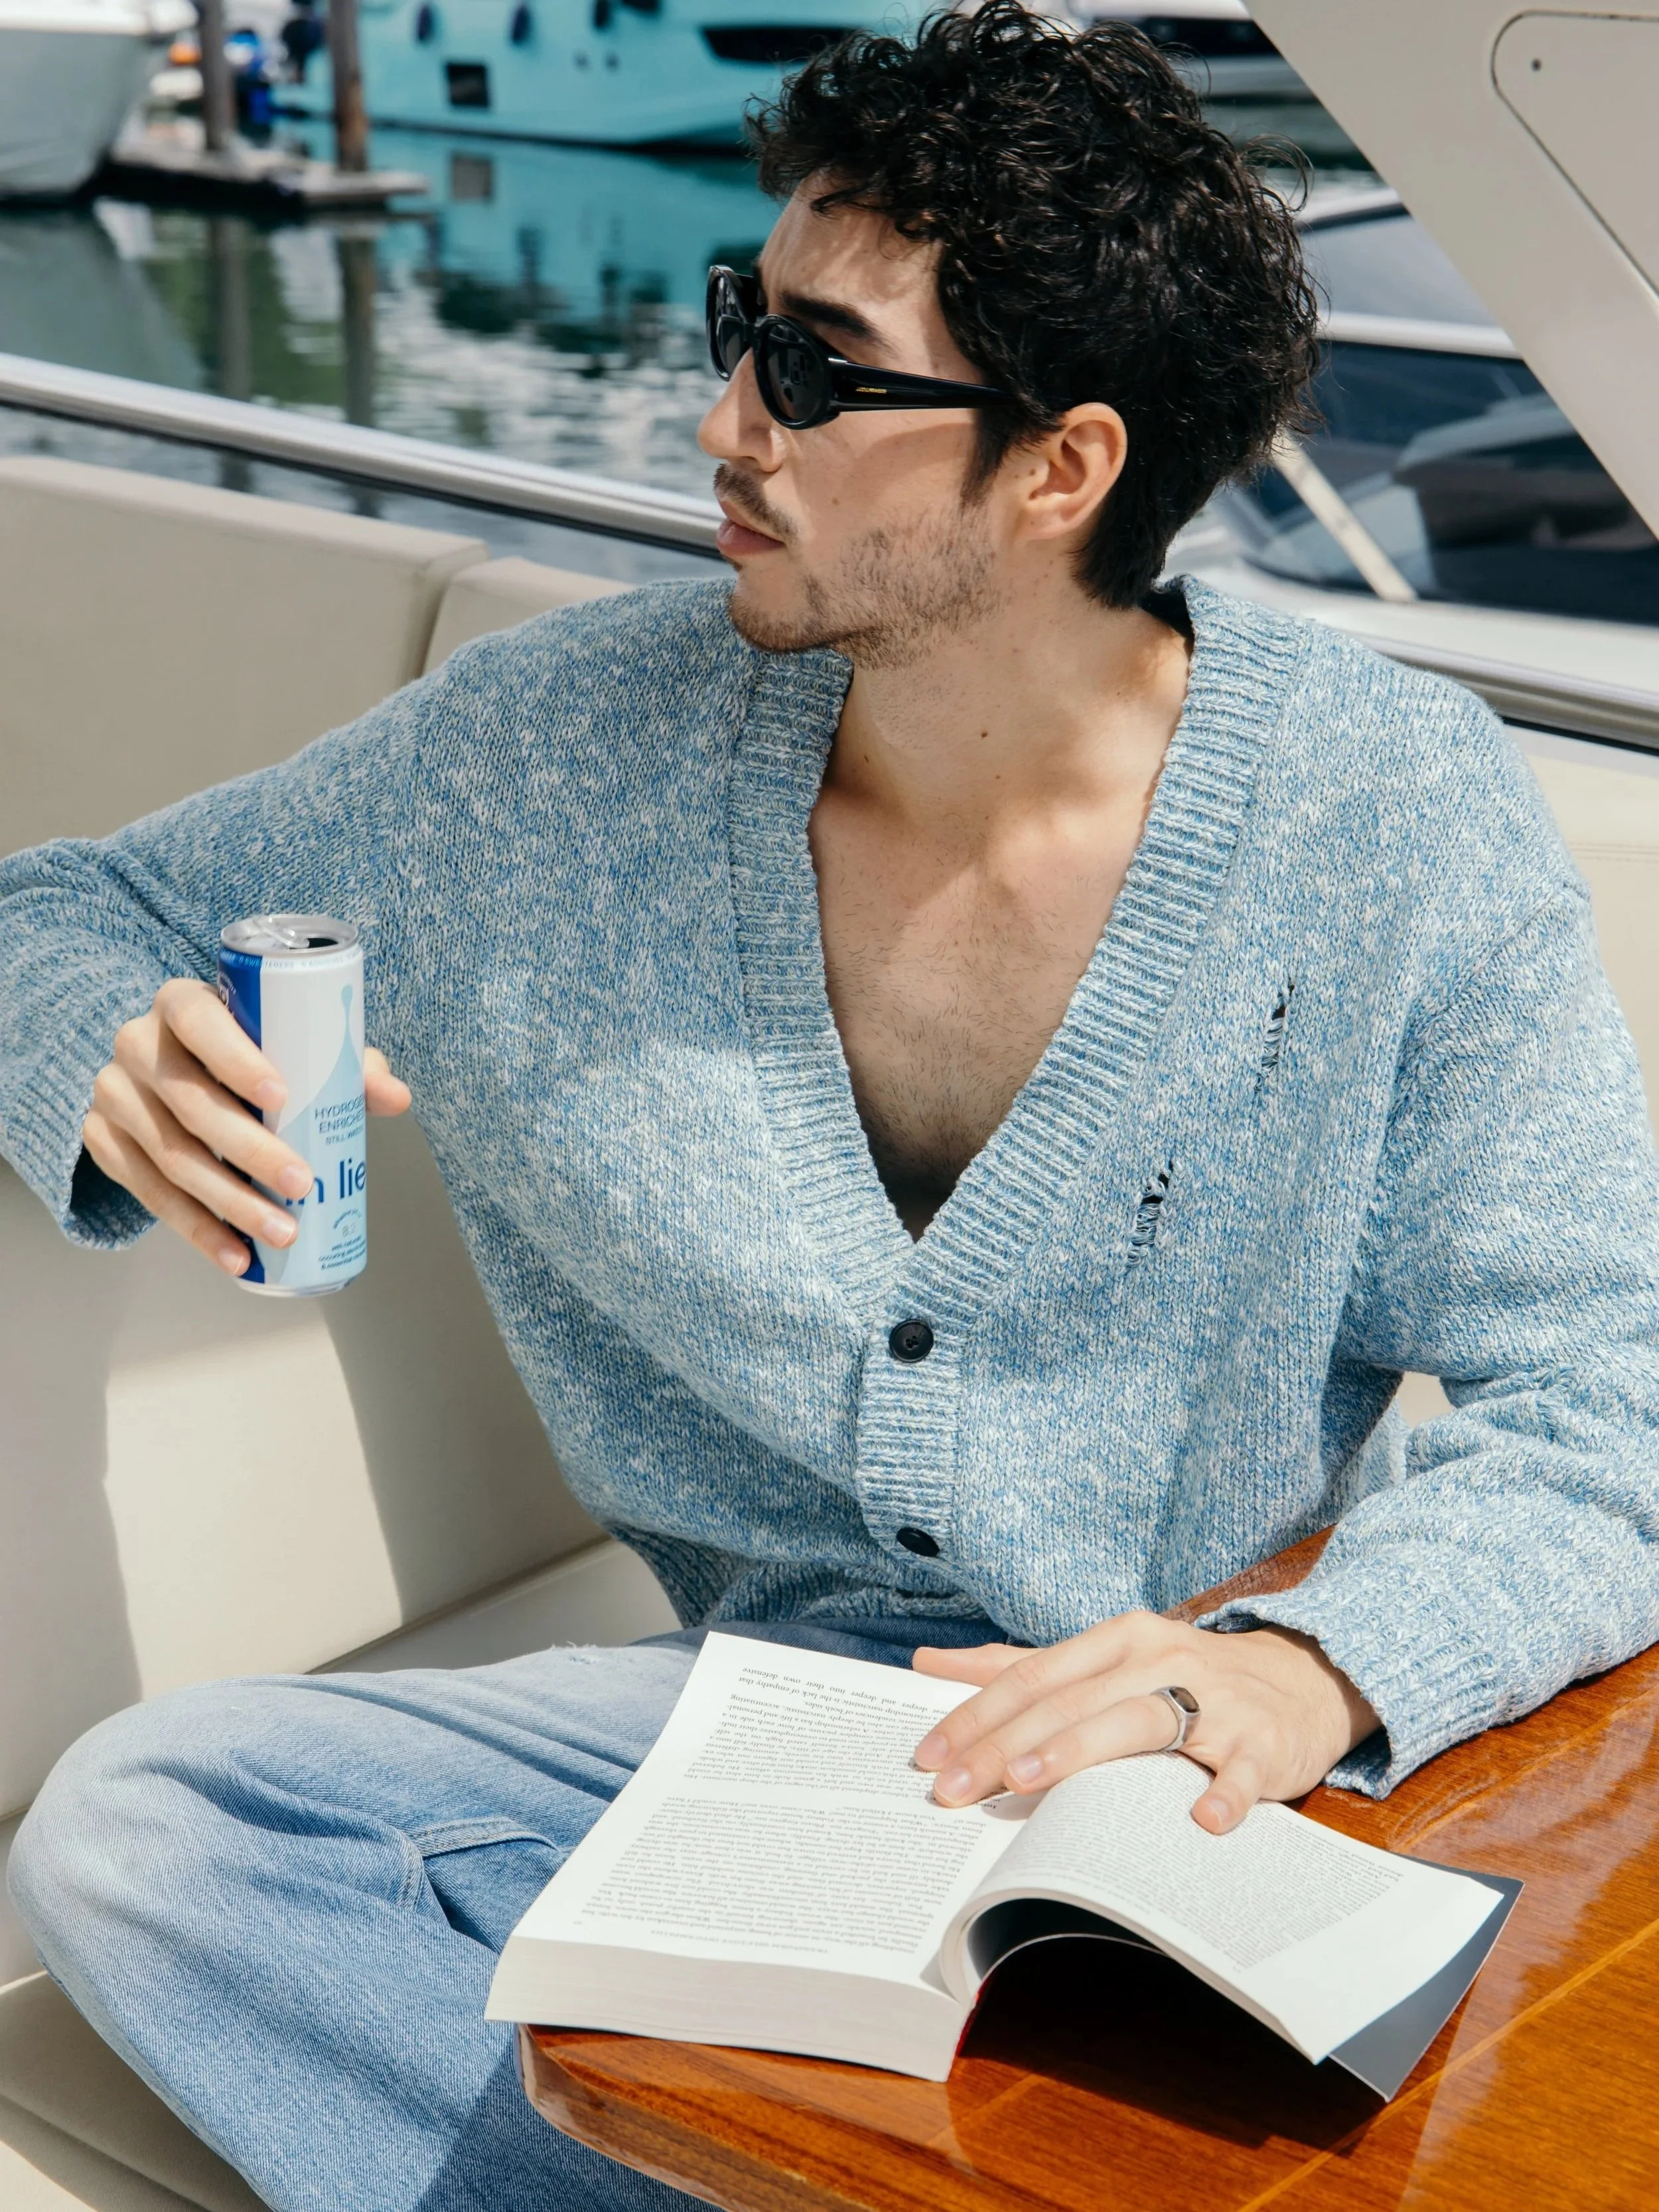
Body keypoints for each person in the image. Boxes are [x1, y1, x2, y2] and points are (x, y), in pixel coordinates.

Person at [3, 6, 1658, 2207]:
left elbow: (1613, 1398)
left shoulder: (1386, 818)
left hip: (1182, 1769)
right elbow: (59, 903)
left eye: (815, 369)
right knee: (147, 1834)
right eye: (740, 326)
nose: (720, 421)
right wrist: (101, 1049)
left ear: (1060, 469)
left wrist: (1303, 1663)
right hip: (745, 1739)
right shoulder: (549, 758)